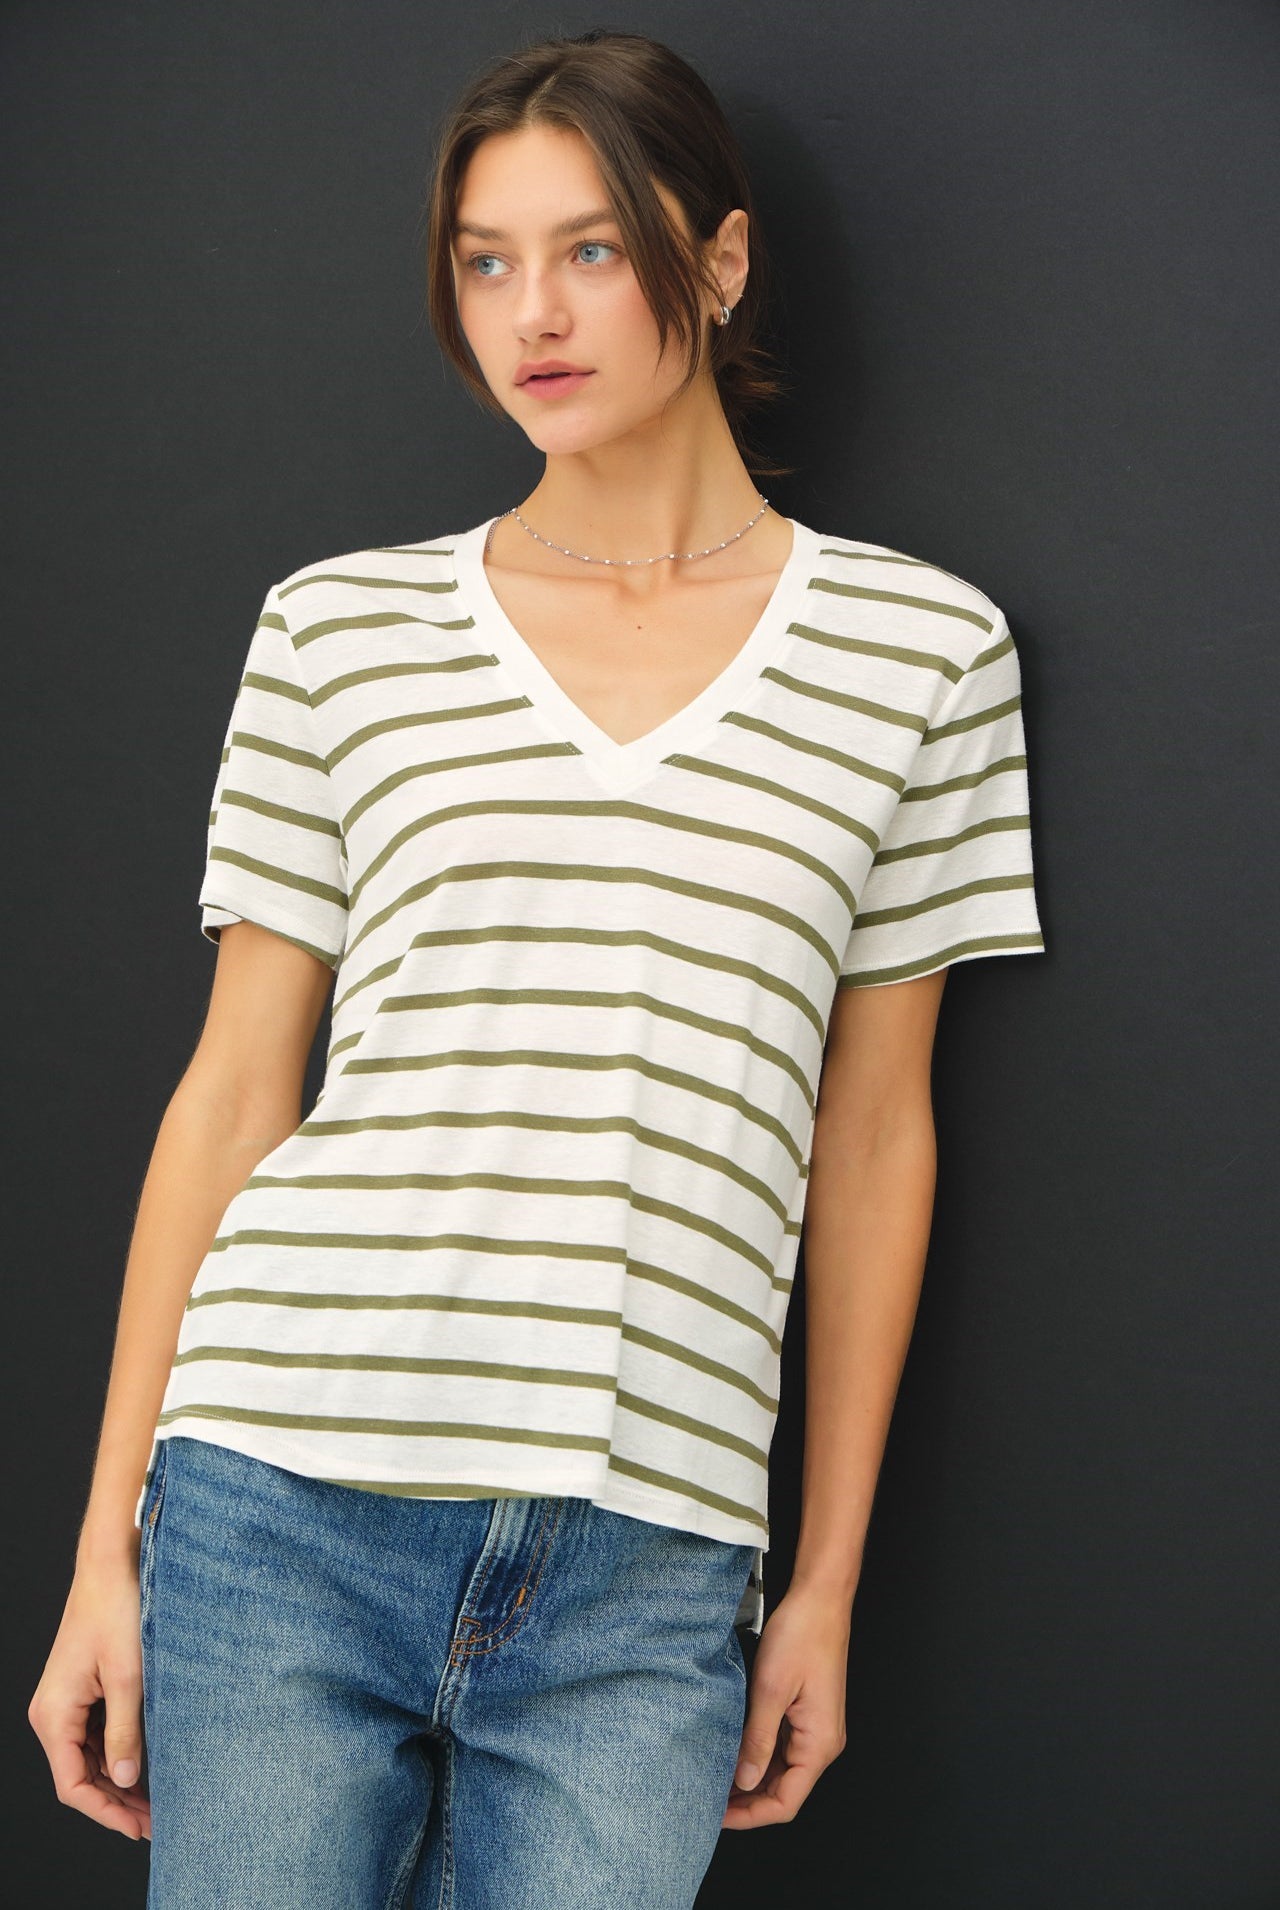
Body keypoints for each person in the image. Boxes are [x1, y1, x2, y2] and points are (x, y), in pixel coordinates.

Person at [27, 26, 1046, 1908]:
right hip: (279, 1499)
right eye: (486, 262)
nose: (534, 315)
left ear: (718, 262)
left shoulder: (925, 654)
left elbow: (873, 1133)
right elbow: (236, 1089)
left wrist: (822, 1583)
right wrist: (104, 1548)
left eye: (591, 248)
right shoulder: (337, 631)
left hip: (647, 1569)